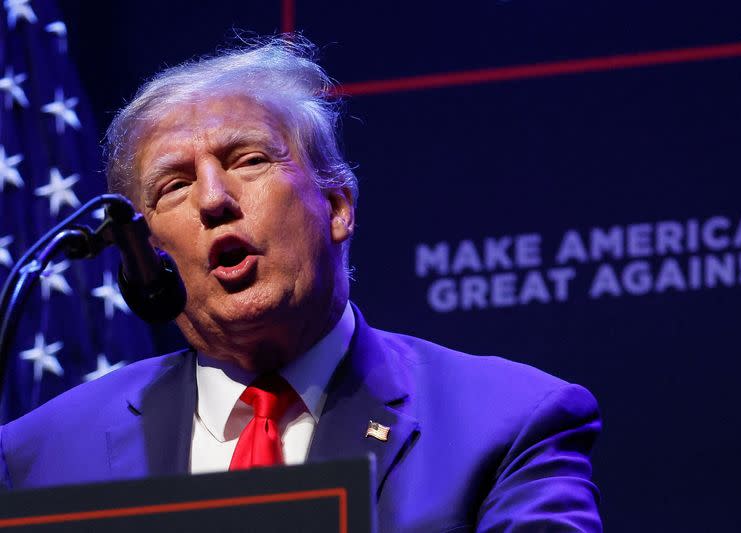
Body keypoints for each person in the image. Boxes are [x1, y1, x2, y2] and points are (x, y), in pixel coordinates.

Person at [0, 37, 602, 531]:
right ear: (147, 254)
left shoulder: (506, 424)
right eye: (174, 186)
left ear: (337, 207)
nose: (213, 200)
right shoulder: (37, 460)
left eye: (248, 161)